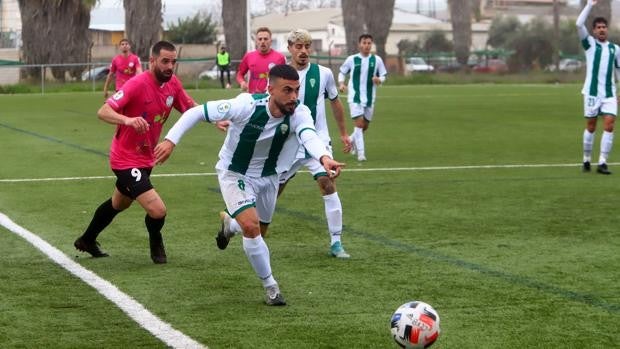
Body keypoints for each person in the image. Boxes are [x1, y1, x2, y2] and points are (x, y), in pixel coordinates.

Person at [154, 64, 346, 305]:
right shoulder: (245, 105)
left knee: (258, 231)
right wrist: (171, 141)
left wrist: (324, 157)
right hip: (235, 174)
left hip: (269, 178)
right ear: (271, 89)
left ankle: (229, 225)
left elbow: (308, 135)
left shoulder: (300, 112)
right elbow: (195, 113)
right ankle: (272, 288)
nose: (294, 97)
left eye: (296, 90)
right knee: (252, 228)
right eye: (287, 90)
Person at [74, 41, 197, 264]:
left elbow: (191, 108)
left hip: (146, 158)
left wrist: (217, 117)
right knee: (158, 210)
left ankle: (87, 239)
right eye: (165, 61)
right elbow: (103, 111)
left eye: (173, 62)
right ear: (152, 62)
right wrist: (127, 120)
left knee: (118, 203)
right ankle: (156, 240)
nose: (170, 66)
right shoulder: (137, 84)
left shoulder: (173, 85)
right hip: (125, 159)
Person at [577, 0, 620, 174]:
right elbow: (578, 24)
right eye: (599, 27)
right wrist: (589, 5)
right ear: (594, 31)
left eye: (604, 27)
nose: (602, 29)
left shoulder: (615, 49)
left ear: (606, 29)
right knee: (591, 126)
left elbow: (618, 70)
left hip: (609, 94)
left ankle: (602, 162)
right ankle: (586, 159)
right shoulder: (589, 45)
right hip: (592, 93)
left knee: (609, 124)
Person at [338, 33, 387, 162]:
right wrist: (342, 83)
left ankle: (351, 141)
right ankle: (361, 154)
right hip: (355, 96)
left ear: (372, 44)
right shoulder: (352, 59)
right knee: (359, 124)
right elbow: (342, 72)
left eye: (369, 43)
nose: (366, 45)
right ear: (359, 44)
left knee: (364, 126)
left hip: (370, 97)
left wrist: (379, 79)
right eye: (364, 43)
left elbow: (383, 75)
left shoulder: (377, 60)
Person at [236, 27, 286, 93]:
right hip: (253, 97)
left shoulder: (280, 58)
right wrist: (242, 82)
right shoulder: (249, 56)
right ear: (256, 42)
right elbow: (240, 74)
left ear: (270, 41)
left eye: (265, 39)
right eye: (260, 39)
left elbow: (285, 78)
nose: (262, 41)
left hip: (272, 97)